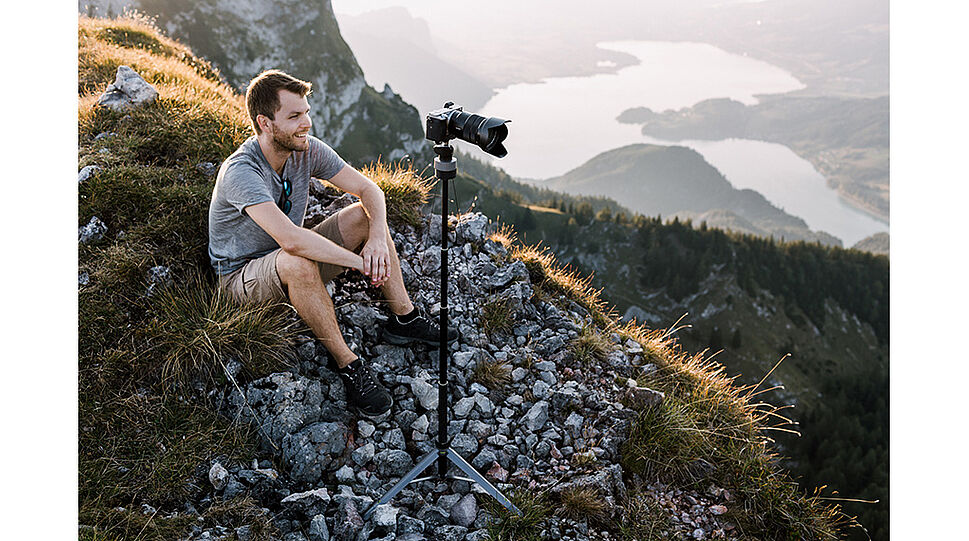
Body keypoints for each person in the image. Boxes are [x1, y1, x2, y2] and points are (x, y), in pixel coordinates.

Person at [208, 69, 456, 417]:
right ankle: (348, 364)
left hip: (287, 261)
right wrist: (361, 262)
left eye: (306, 112)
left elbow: (370, 190)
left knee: (362, 215)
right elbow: (292, 240)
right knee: (297, 259)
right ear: (265, 123)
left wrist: (377, 242)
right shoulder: (241, 172)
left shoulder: (305, 150)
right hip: (241, 282)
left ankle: (404, 317)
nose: (306, 123)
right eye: (294, 116)